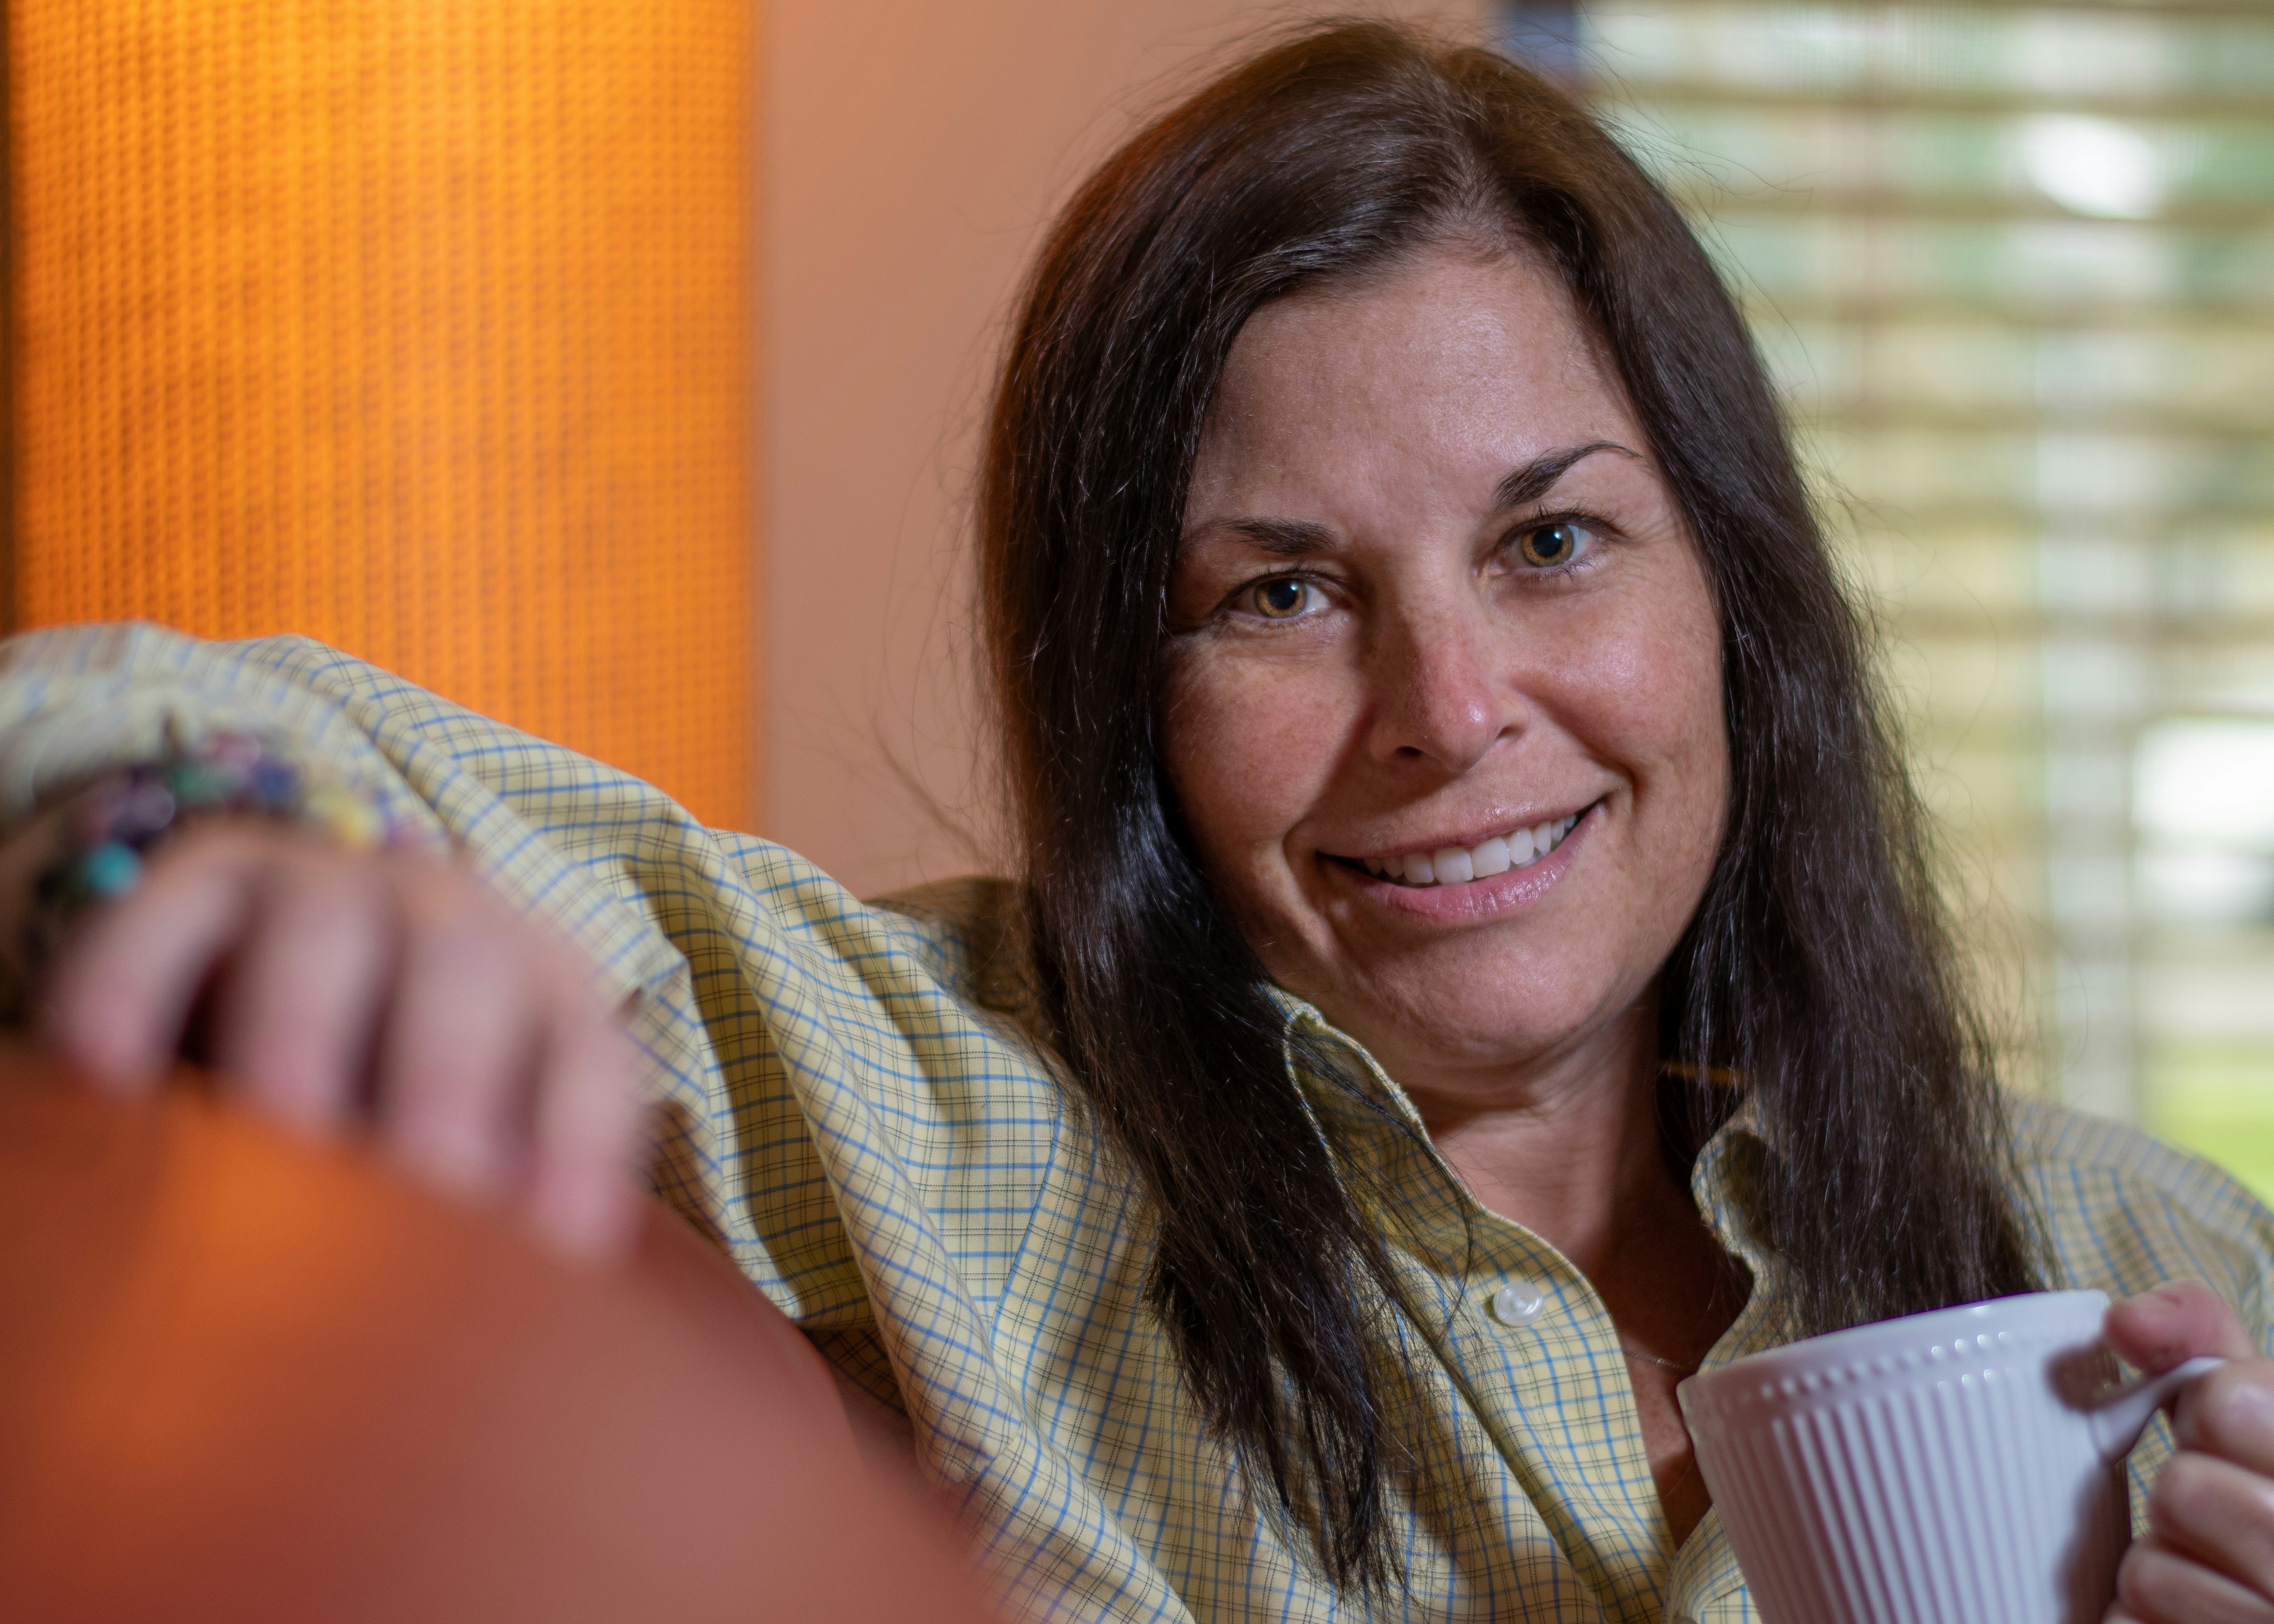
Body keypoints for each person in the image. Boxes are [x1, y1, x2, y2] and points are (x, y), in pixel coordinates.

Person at [3, 21, 2271, 1624]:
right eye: (1280, 592)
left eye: (1553, 543)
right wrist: (208, 848)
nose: (1450, 710)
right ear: (1130, 685)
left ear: (1733, 591)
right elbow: (105, 703)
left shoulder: (2141, 1262)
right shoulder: (949, 1106)